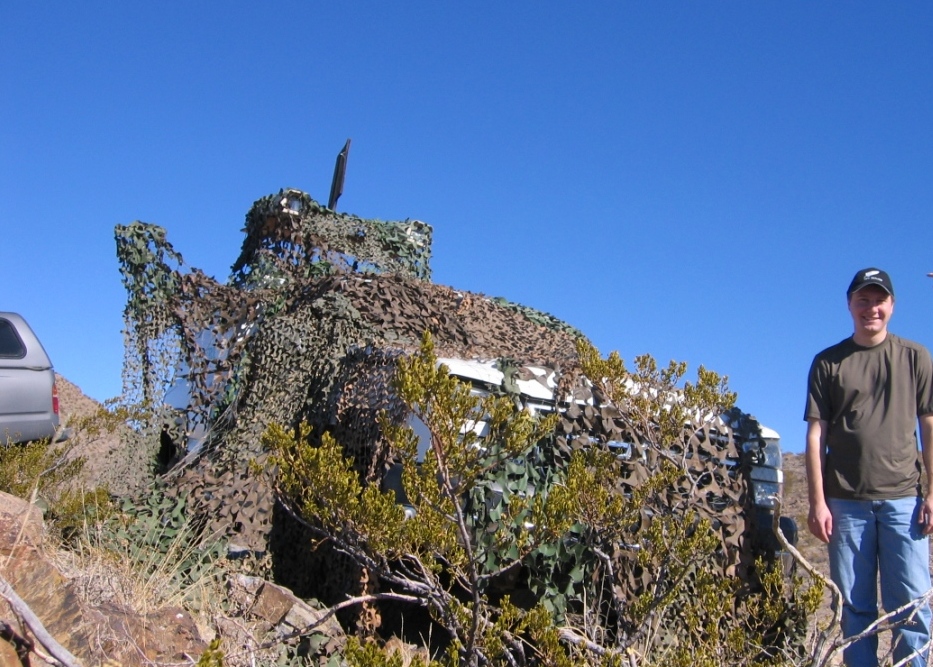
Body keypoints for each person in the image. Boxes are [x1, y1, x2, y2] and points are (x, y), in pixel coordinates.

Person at [805, 267, 933, 667]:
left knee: (911, 607)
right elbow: (815, 435)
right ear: (850, 305)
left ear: (892, 306)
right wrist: (817, 502)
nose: (871, 308)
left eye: (879, 300)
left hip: (904, 502)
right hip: (846, 505)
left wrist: (932, 492)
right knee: (853, 609)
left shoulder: (915, 357)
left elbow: (928, 425)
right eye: (863, 299)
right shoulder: (828, 362)